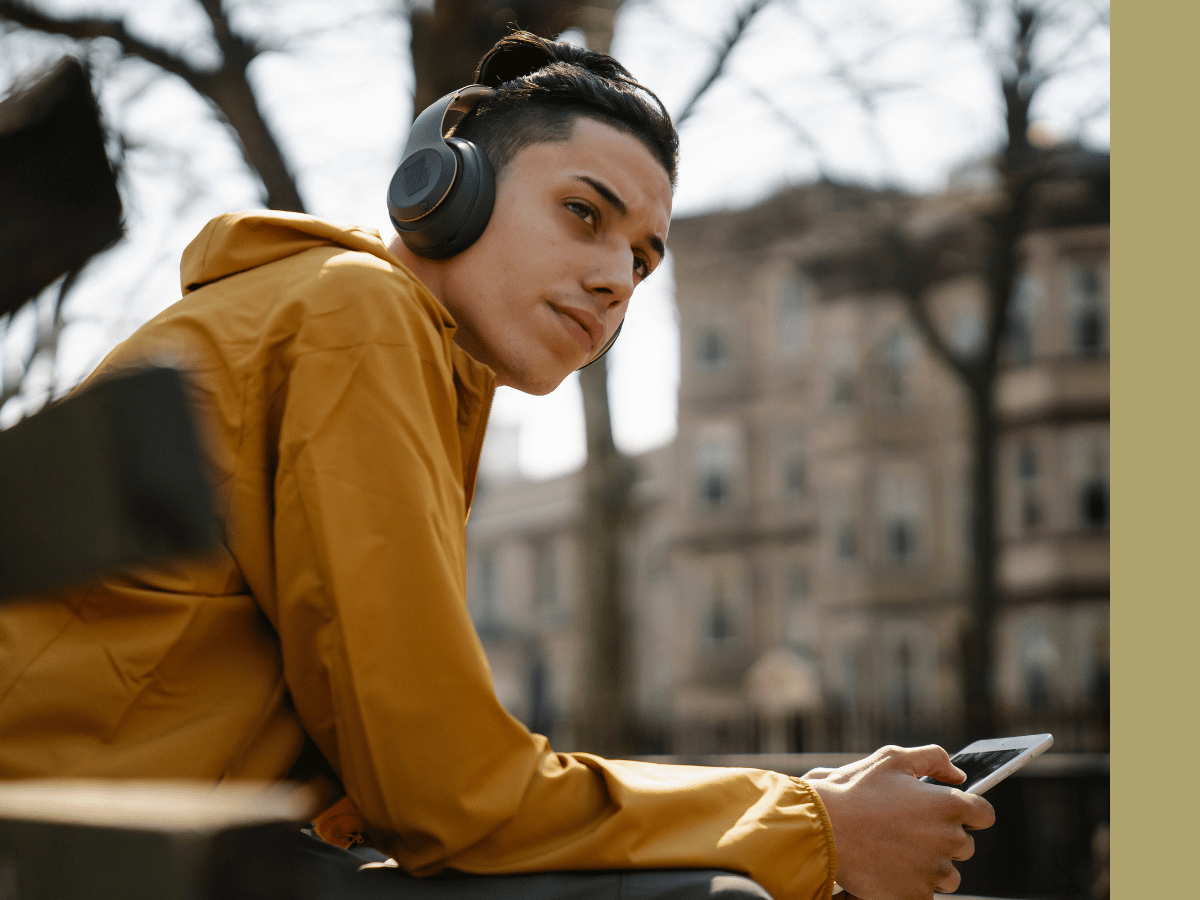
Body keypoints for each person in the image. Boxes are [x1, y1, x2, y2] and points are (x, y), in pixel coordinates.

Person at [0, 31, 993, 900]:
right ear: (443, 192)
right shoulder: (357, 317)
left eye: (644, 260)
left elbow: (405, 787)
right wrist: (809, 825)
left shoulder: (367, 339)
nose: (615, 277)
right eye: (583, 213)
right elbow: (445, 791)